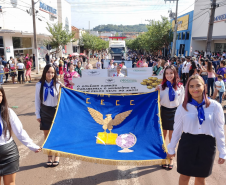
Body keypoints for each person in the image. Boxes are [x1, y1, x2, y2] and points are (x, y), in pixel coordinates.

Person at [167, 75, 226, 185]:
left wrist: (223, 151)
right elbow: (177, 130)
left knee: (201, 178)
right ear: (187, 88)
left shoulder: (215, 106)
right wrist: (171, 148)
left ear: (204, 86)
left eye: (198, 85)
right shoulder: (183, 108)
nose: (195, 89)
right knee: (184, 176)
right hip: (187, 143)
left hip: (207, 145)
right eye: (191, 86)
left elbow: (219, 130)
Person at [0, 85, 41, 184]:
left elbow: (20, 131)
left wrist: (32, 146)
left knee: (10, 183)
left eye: (0, 95)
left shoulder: (8, 112)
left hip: (8, 154)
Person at [156, 65, 184, 170]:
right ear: (164, 75)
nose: (169, 75)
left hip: (175, 113)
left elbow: (182, 103)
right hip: (163, 112)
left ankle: (171, 158)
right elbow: (155, 101)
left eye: (171, 73)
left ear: (175, 74)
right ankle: (164, 157)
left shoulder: (180, 87)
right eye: (167, 73)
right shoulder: (160, 87)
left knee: (173, 137)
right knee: (163, 136)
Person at [35, 64, 61, 167]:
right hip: (44, 111)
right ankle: (49, 156)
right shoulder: (39, 85)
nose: (50, 74)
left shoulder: (58, 84)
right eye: (49, 72)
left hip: (55, 111)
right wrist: (38, 114)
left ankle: (57, 155)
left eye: (52, 72)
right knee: (46, 135)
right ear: (45, 72)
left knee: (56, 135)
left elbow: (63, 99)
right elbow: (37, 100)